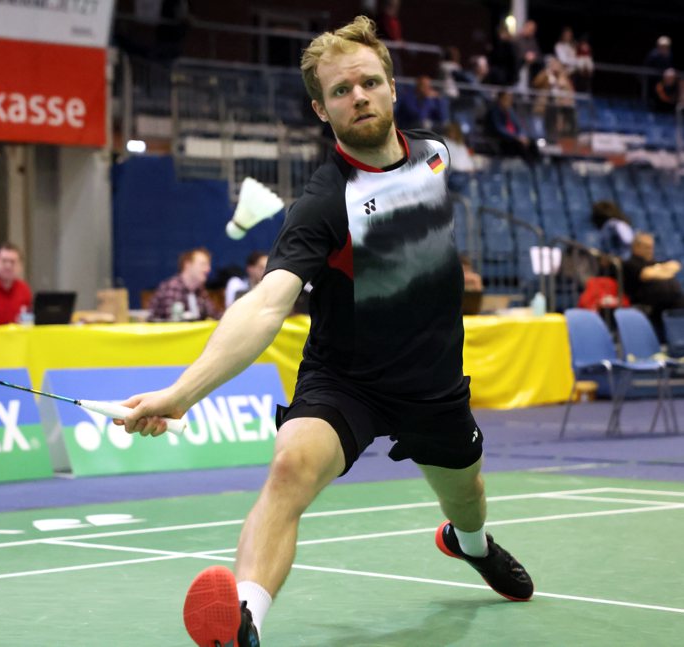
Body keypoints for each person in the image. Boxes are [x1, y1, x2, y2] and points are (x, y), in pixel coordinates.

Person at [114, 16, 534, 647]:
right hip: (347, 380)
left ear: (392, 87)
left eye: (369, 83)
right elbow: (265, 305)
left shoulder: (434, 154)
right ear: (320, 108)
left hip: (433, 381)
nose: (358, 97)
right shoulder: (322, 203)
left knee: (467, 496)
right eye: (341, 91)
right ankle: (243, 618)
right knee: (289, 467)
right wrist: (182, 393)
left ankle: (468, 545)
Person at [622, 232, 684, 339]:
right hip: (647, 303)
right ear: (636, 247)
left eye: (651, 247)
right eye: (647, 247)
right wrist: (663, 270)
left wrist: (657, 270)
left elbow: (675, 265)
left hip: (671, 301)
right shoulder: (630, 263)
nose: (650, 250)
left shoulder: (652, 262)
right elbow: (646, 274)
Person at [147, 246, 222, 321]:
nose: (208, 269)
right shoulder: (173, 287)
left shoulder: (199, 290)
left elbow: (213, 314)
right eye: (203, 264)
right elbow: (173, 321)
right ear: (188, 265)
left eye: (208, 265)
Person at [487, 90, 540, 161]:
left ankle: (537, 164)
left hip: (515, 137)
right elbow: (499, 128)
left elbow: (519, 125)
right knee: (520, 146)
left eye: (510, 98)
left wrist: (522, 136)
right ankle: (530, 164)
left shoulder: (510, 110)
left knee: (532, 143)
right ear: (500, 99)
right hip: (504, 139)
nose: (509, 101)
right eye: (507, 98)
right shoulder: (495, 111)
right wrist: (516, 137)